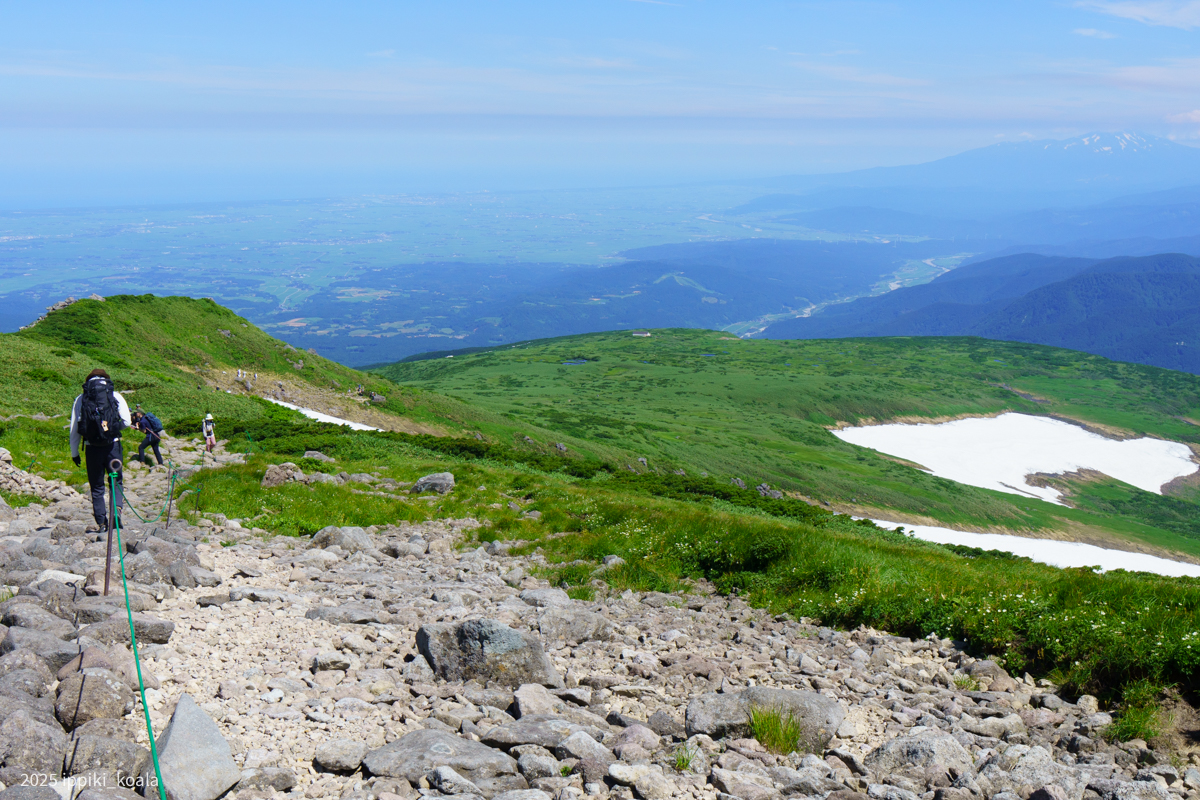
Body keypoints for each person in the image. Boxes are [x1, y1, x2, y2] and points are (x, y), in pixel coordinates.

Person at [69, 369, 132, 532]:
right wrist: (111, 430)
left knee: (97, 486)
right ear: (106, 379)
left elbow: (75, 428)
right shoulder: (114, 395)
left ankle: (102, 523)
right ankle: (116, 512)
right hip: (113, 446)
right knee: (116, 481)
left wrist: (74, 453)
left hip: (92, 448)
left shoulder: (81, 398)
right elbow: (126, 421)